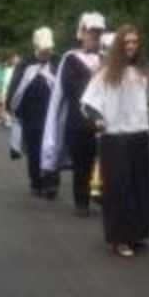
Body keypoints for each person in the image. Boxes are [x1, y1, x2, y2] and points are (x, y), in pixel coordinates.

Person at [81, 25, 149, 257]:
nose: (131, 46)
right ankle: (120, 238)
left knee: (140, 187)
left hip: (139, 134)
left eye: (135, 42)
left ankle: (137, 233)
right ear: (119, 46)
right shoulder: (105, 74)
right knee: (118, 189)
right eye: (127, 42)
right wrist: (98, 119)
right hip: (115, 137)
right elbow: (88, 103)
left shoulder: (142, 72)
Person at [41, 11, 106, 217]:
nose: (94, 36)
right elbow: (70, 90)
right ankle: (82, 201)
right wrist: (94, 77)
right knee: (83, 163)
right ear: (82, 33)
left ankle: (101, 195)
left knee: (107, 161)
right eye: (90, 32)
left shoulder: (109, 58)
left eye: (98, 32)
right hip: (80, 121)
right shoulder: (71, 59)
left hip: (106, 121)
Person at [6, 27, 60, 198]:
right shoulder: (26, 64)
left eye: (49, 50)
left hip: (51, 115)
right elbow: (16, 87)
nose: (47, 53)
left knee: (51, 148)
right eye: (44, 50)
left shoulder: (56, 63)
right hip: (31, 115)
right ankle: (36, 181)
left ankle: (51, 182)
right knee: (35, 150)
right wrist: (12, 107)